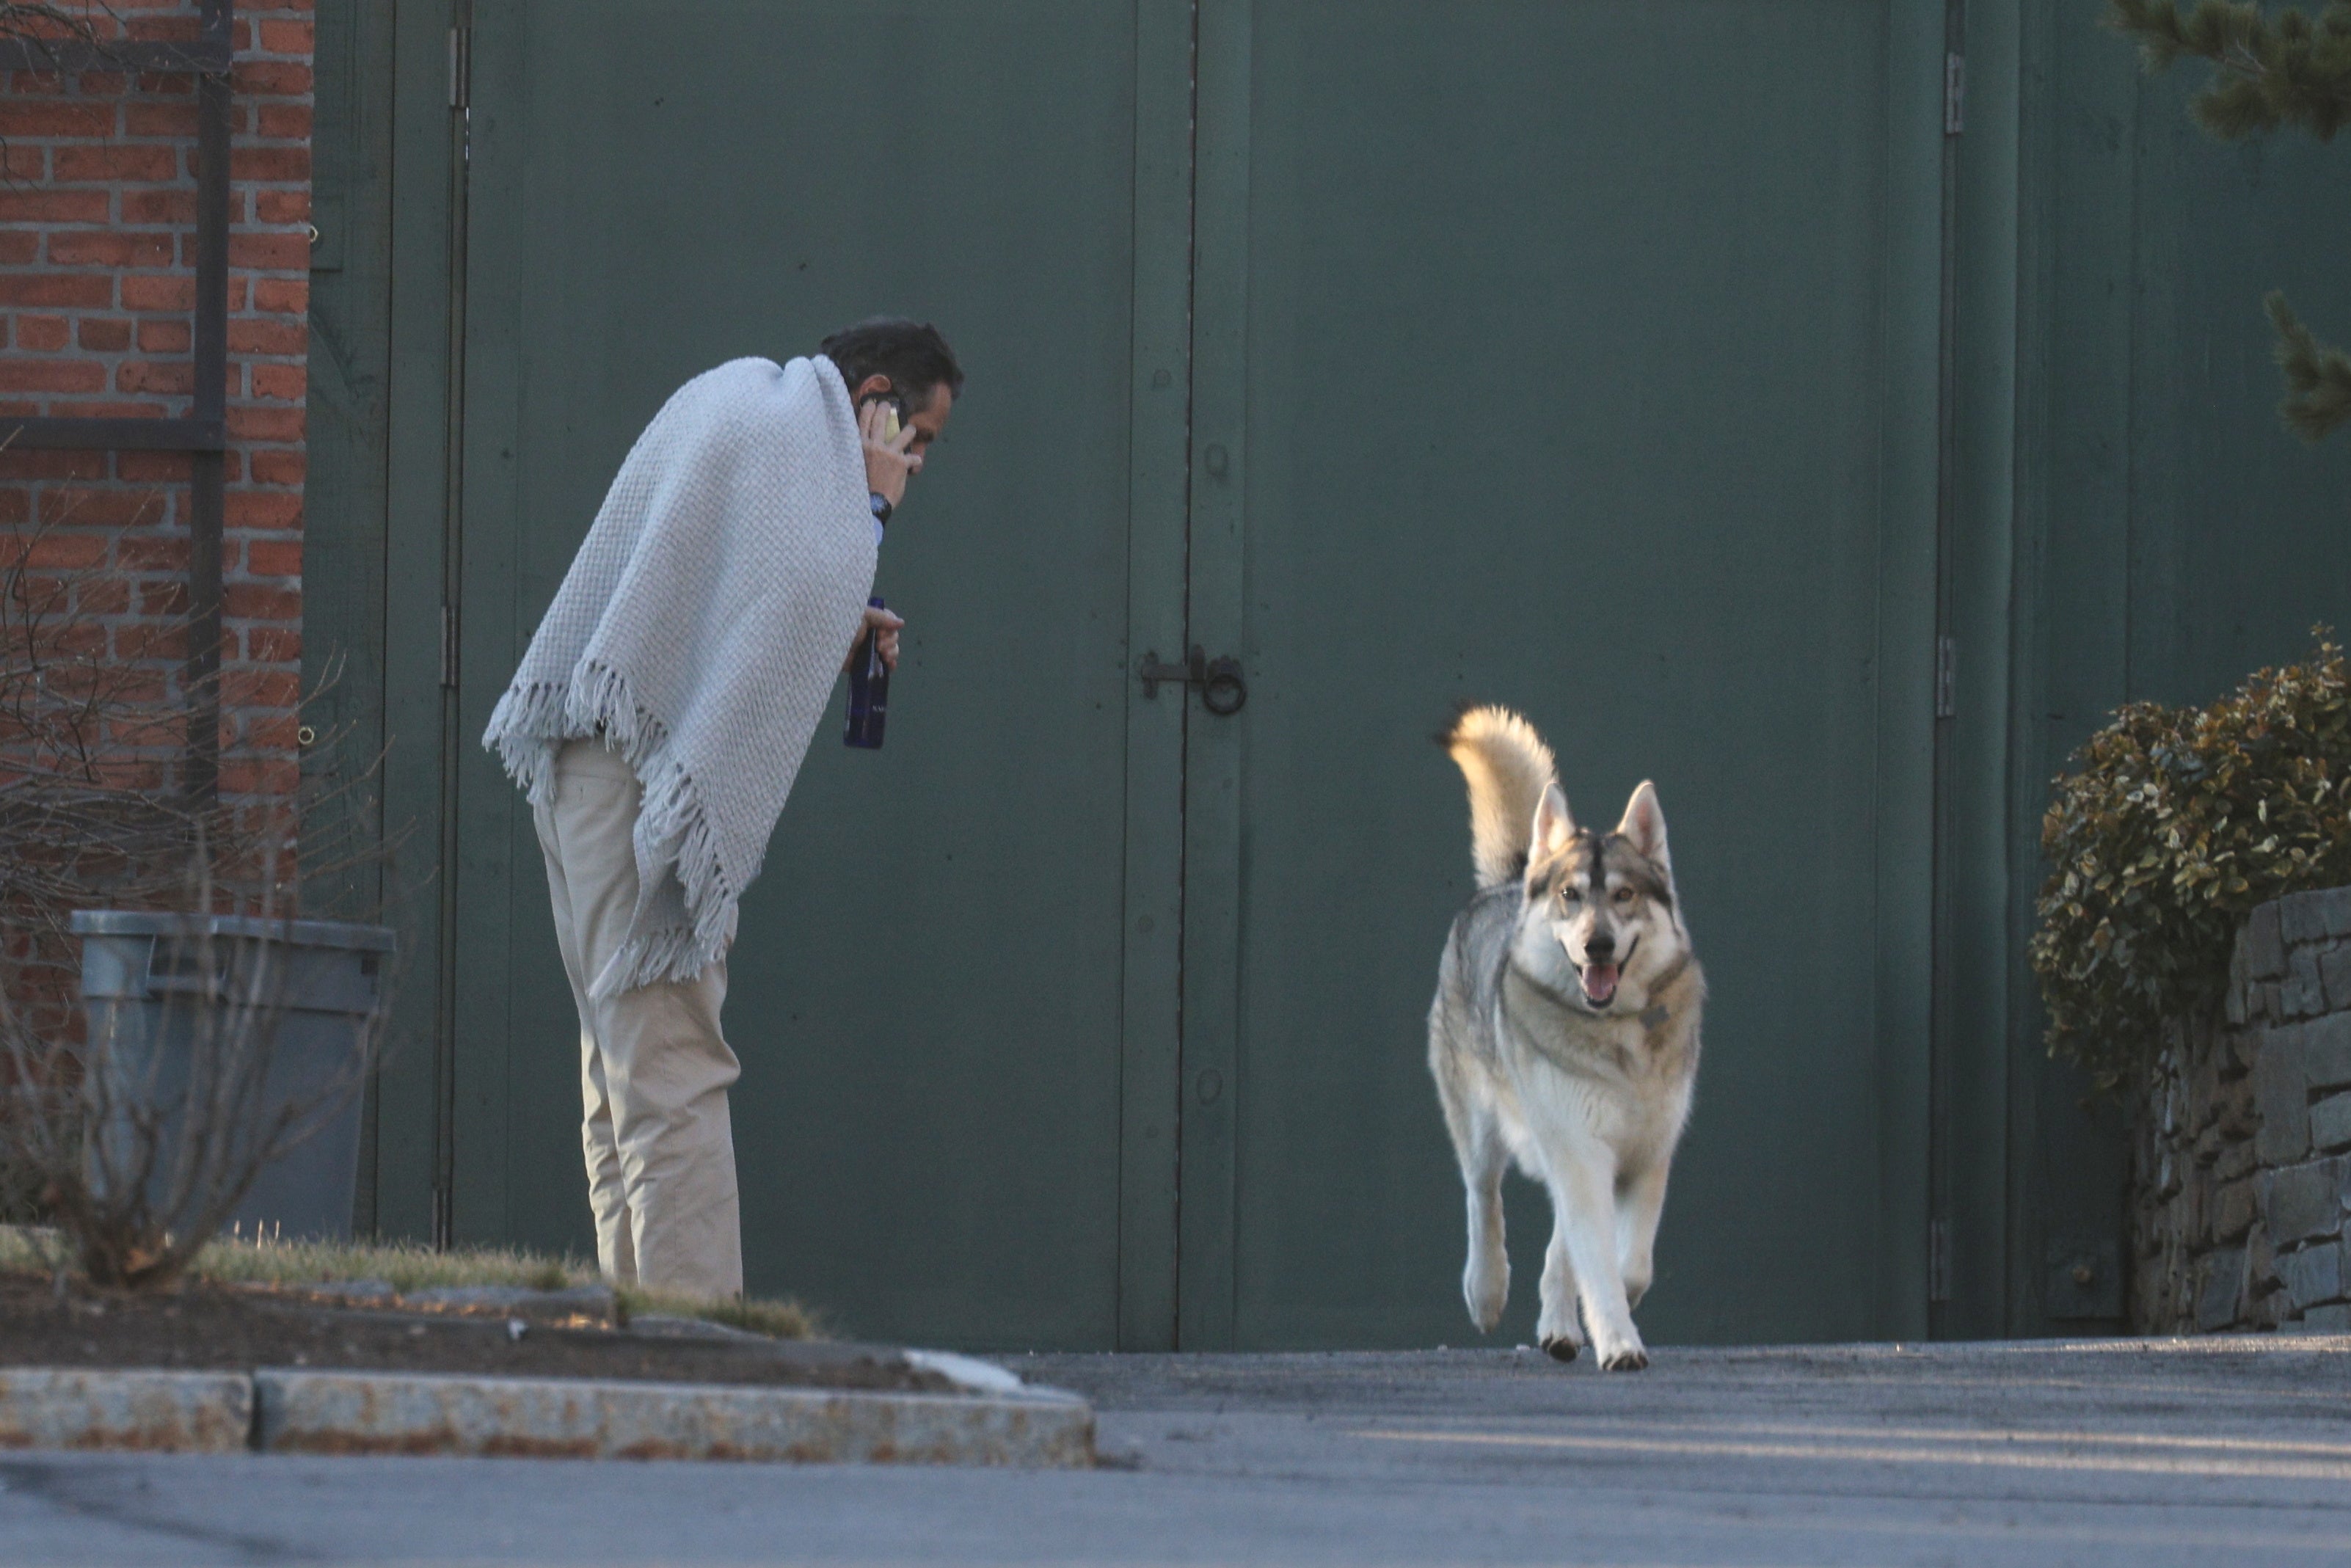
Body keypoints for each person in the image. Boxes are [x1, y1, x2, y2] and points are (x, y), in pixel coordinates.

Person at [480, 318, 962, 1297]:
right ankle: (696, 1349)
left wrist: (836, 626)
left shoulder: (739, 398)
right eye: (921, 438)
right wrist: (872, 504)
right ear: (875, 398)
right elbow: (812, 573)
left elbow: (727, 602)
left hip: (589, 763)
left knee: (623, 1083)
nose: (918, 462)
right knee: (674, 1076)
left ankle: (639, 1336)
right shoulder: (810, 455)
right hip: (641, 795)